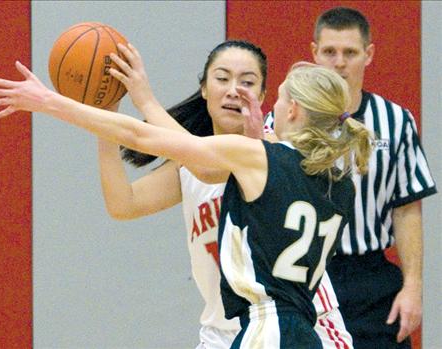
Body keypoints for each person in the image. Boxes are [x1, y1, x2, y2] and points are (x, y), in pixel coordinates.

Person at [0, 56, 373, 347]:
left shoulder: (256, 157)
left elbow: (149, 139)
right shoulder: (339, 184)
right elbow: (202, 168)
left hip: (269, 326)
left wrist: (51, 102)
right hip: (300, 332)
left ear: (292, 109)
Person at [106, 40, 353, 348]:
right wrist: (105, 118)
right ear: (205, 89)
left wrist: (145, 100)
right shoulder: (188, 166)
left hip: (302, 323)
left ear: (263, 97)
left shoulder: (276, 151)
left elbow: (204, 163)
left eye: (247, 82)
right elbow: (123, 203)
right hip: (222, 333)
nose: (234, 89)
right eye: (222, 78)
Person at [265, 7, 437, 348]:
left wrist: (413, 287)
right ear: (314, 53)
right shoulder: (285, 118)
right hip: (303, 273)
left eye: (350, 53)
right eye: (329, 52)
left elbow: (407, 210)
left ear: (368, 55)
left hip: (370, 279)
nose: (339, 63)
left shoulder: (396, 121)